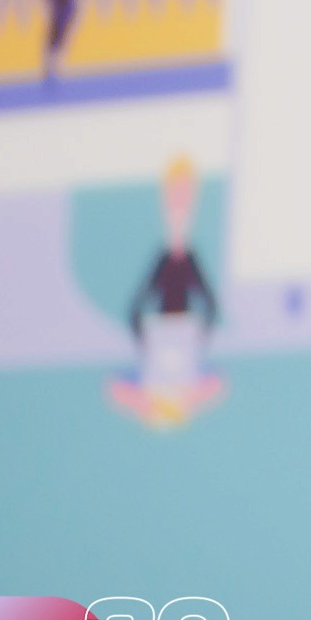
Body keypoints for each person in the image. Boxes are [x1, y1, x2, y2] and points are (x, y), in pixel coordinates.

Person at [108, 153, 226, 428]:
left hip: (171, 325)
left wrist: (145, 404)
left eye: (184, 201)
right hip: (174, 327)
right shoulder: (182, 383)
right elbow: (217, 383)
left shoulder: (154, 381)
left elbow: (115, 387)